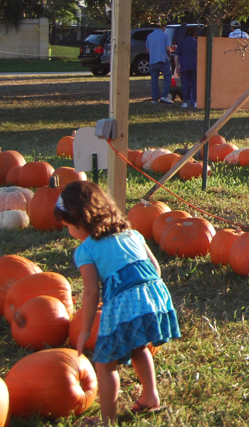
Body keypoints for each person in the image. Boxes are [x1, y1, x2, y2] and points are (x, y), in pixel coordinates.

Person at [54, 181, 180, 424]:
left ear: (81, 221)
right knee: (139, 346)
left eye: (68, 226)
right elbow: (156, 268)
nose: (68, 232)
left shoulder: (86, 250)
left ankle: (107, 420)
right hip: (155, 295)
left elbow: (91, 293)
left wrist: (85, 330)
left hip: (125, 303)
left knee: (104, 362)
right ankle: (150, 397)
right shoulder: (133, 233)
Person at [145, 21, 172, 104]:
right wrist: (169, 56)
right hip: (163, 60)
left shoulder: (149, 36)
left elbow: (148, 50)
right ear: (163, 27)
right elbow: (168, 49)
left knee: (154, 80)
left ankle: (155, 98)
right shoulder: (165, 35)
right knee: (167, 77)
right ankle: (164, 95)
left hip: (152, 61)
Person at [176, 26, 199, 108]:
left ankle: (185, 101)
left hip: (184, 65)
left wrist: (176, 66)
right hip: (195, 65)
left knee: (185, 84)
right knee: (195, 84)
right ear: (195, 34)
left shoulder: (181, 42)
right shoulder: (197, 43)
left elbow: (176, 55)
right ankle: (196, 101)